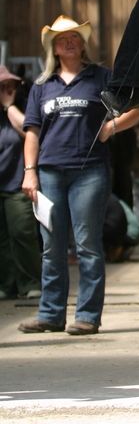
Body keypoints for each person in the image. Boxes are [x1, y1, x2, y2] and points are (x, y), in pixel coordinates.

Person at [18, 16, 139, 335]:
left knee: (88, 245)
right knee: (52, 246)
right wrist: (29, 172)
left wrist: (111, 127)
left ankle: (87, 316)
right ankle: (50, 314)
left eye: (75, 36)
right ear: (54, 48)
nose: (69, 41)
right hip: (48, 174)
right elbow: (31, 132)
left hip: (90, 172)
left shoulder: (101, 77)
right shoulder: (41, 87)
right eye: (62, 39)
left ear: (84, 43)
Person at [0, 66, 42, 301]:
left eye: (10, 85)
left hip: (17, 184)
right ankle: (7, 284)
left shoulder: (22, 109)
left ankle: (30, 282)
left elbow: (29, 132)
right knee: (2, 239)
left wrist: (8, 106)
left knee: (21, 233)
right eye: (2, 86)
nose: (7, 89)